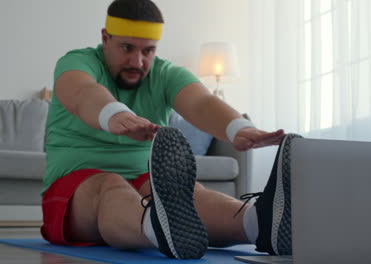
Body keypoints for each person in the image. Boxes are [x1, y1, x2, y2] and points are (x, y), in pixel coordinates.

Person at [41, 0, 295, 259]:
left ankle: (261, 223)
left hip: (142, 181)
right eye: (127, 48)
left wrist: (238, 128)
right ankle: (158, 227)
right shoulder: (76, 62)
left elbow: (201, 102)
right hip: (74, 188)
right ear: (105, 38)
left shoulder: (164, 73)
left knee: (191, 194)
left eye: (148, 51)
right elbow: (82, 92)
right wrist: (113, 114)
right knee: (110, 184)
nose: (137, 62)